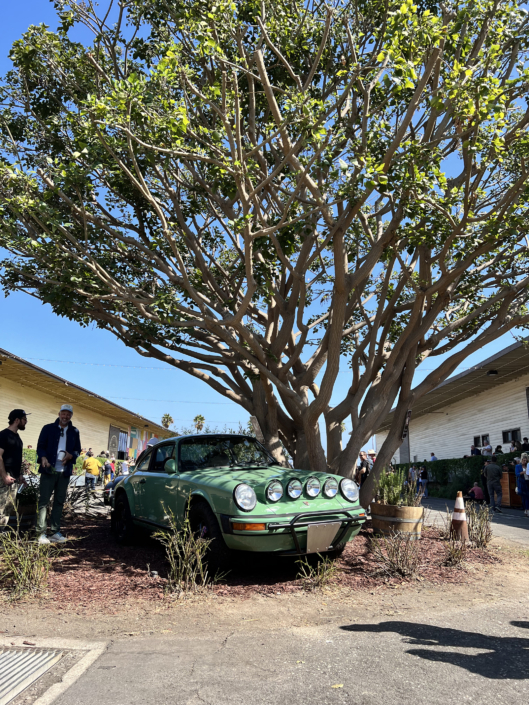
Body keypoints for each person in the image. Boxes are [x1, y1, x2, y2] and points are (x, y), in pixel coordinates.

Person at [36, 404, 82, 543]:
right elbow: (40, 446)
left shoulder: (74, 431)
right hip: (48, 470)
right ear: (59, 414)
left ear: (71, 416)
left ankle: (55, 531)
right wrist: (43, 457)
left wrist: (71, 456)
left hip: (64, 472)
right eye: (63, 413)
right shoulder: (48, 428)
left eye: (68, 414)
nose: (65, 416)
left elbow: (77, 451)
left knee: (59, 501)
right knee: (43, 501)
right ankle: (40, 533)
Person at [0, 409, 30, 525]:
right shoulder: (3, 435)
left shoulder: (18, 439)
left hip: (13, 480)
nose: (26, 422)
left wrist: (20, 475)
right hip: (3, 480)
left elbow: (16, 459)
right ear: (17, 420)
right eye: (24, 419)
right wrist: (4, 476)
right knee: (1, 509)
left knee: (7, 510)